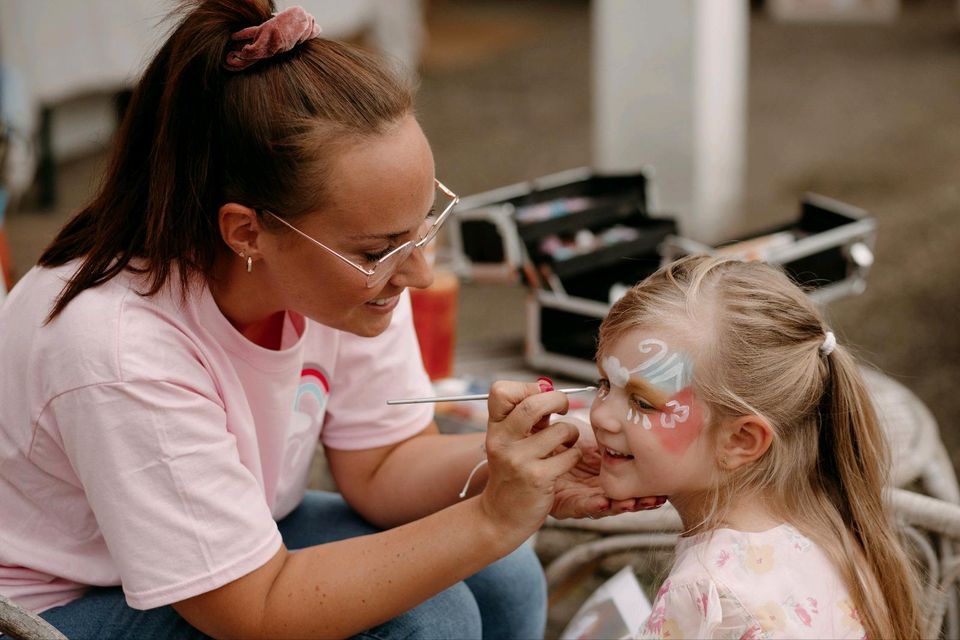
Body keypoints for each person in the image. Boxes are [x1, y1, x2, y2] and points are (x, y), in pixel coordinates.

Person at [0, 2, 654, 638]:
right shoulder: (118, 348)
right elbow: (255, 610)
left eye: (422, 229)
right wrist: (492, 519)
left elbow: (383, 464)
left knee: (504, 575)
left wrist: (530, 466)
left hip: (227, 550)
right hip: (57, 603)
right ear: (247, 232)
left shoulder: (337, 274)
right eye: (381, 250)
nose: (419, 273)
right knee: (432, 618)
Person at [589, 255, 922, 640]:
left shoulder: (708, 595)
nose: (600, 416)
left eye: (643, 402)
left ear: (741, 440)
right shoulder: (832, 528)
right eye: (602, 384)